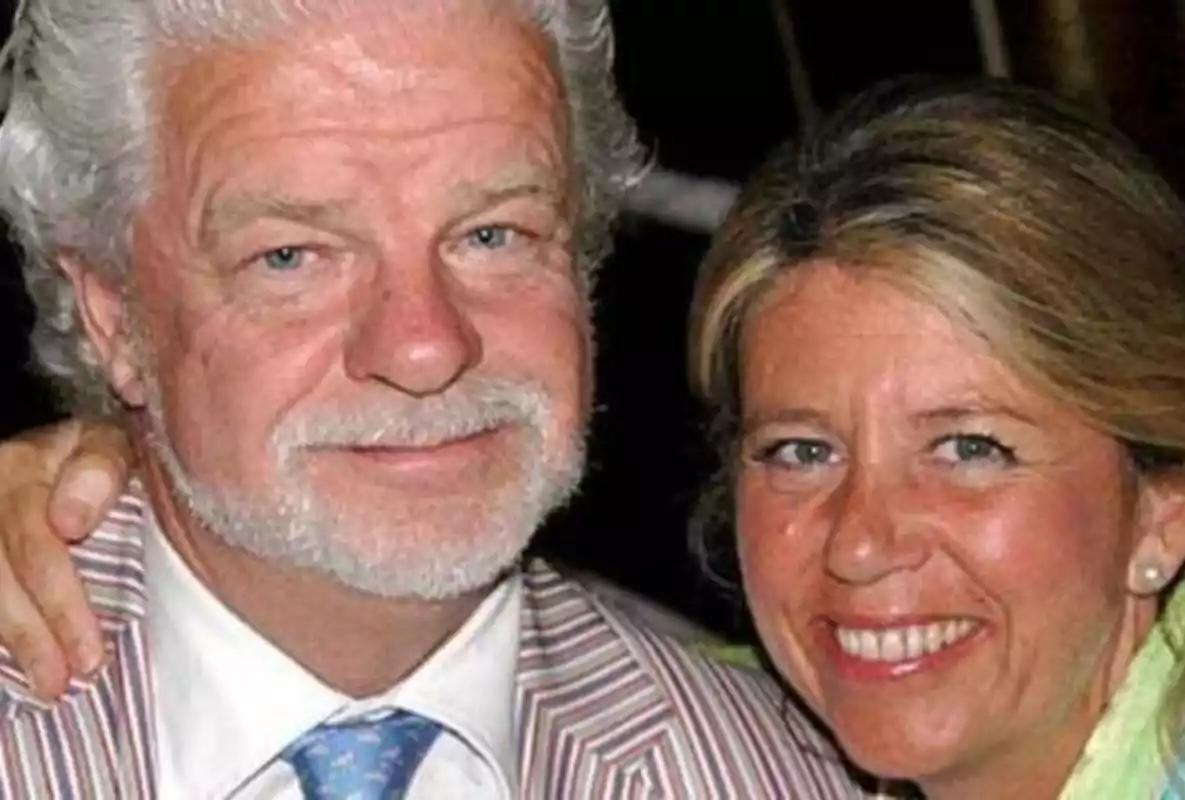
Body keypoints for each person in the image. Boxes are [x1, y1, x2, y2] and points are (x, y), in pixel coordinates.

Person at [0, 0, 883, 796]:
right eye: (293, 256)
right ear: (113, 317)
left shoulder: (775, 777)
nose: (426, 346)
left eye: (493, 235)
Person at [686, 78, 1185, 797]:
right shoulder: (682, 749)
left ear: (1166, 513)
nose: (860, 545)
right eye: (803, 451)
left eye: (969, 449)